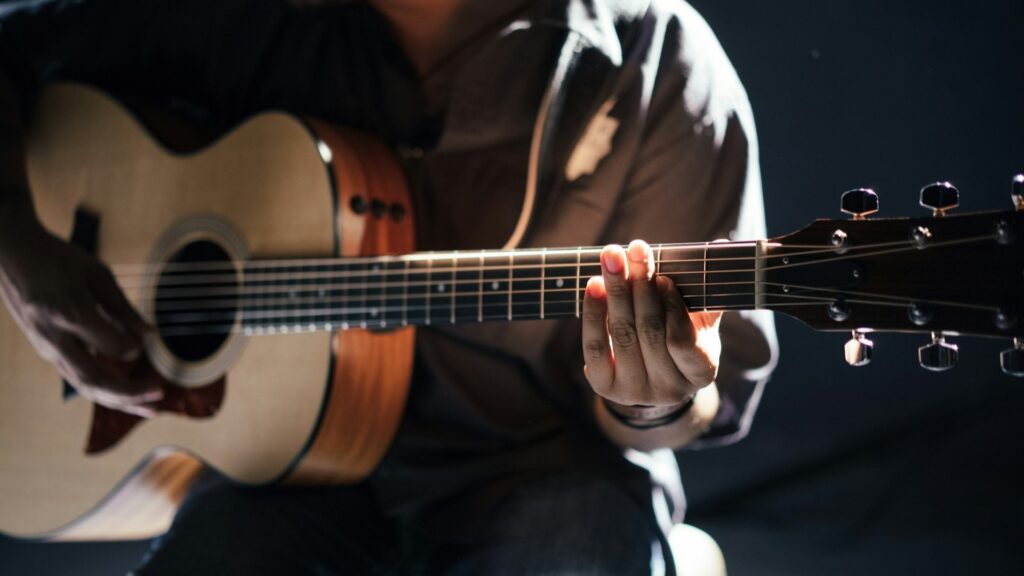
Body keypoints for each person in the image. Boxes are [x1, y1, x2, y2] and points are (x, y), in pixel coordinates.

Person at [0, 0, 777, 573]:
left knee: (575, 544)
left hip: (544, 474)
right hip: (285, 481)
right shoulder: (247, 19)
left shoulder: (659, 59)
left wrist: (653, 394)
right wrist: (20, 249)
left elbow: (696, 403)